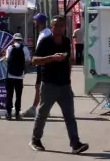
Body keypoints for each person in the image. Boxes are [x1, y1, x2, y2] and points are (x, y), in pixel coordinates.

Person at [31, 15, 88, 154]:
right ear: (51, 27)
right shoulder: (45, 42)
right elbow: (34, 60)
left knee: (70, 116)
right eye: (57, 25)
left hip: (64, 85)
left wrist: (69, 79)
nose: (60, 28)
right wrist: (52, 58)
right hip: (49, 84)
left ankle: (75, 144)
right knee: (43, 113)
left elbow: (69, 61)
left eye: (62, 25)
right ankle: (35, 139)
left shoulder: (66, 41)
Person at [23, 13, 49, 119]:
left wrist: (32, 60)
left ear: (38, 22)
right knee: (40, 87)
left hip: (43, 64)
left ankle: (36, 109)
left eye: (35, 20)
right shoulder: (44, 33)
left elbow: (42, 51)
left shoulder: (44, 34)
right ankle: (42, 108)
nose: (33, 22)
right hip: (42, 64)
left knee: (40, 87)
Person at [2, 32, 28, 120]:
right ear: (21, 39)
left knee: (9, 95)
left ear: (13, 39)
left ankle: (8, 113)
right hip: (20, 76)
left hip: (10, 75)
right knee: (18, 95)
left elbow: (7, 59)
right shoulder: (25, 48)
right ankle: (17, 113)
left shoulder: (10, 47)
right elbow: (28, 61)